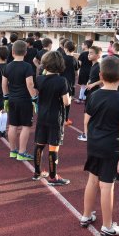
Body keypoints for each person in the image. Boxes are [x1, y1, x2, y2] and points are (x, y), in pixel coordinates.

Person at [80, 57, 119, 236]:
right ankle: (107, 226)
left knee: (92, 180)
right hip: (111, 148)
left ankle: (86, 215)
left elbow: (86, 121)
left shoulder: (93, 95)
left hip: (94, 145)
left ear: (100, 75)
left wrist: (90, 138)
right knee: (107, 186)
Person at [32, 51, 71, 185]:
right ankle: (53, 177)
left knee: (39, 144)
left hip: (42, 116)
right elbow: (66, 102)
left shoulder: (39, 79)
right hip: (56, 117)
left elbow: (36, 93)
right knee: (53, 147)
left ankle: (37, 173)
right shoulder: (62, 81)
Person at [2, 40, 37, 161]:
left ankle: (13, 150)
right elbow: (30, 84)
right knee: (26, 126)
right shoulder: (27, 66)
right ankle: (22, 152)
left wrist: (6, 97)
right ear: (25, 52)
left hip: (12, 99)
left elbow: (4, 84)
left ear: (12, 52)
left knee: (13, 125)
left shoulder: (8, 66)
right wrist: (35, 98)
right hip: (25, 100)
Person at [77, 45, 102, 141]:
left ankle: (86, 135)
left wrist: (92, 84)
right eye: (89, 53)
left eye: (91, 53)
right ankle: (87, 133)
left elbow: (103, 79)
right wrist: (89, 83)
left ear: (98, 55)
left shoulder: (99, 66)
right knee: (88, 114)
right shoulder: (93, 65)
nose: (89, 55)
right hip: (90, 92)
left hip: (94, 93)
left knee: (87, 114)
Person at [62, 41, 79, 125]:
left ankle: (60, 117)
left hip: (61, 81)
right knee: (68, 102)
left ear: (65, 49)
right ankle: (66, 119)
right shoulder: (75, 60)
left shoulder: (61, 58)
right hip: (70, 83)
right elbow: (76, 73)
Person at [76, 39, 93, 104]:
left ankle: (80, 98)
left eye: (82, 44)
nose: (81, 46)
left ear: (86, 46)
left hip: (83, 71)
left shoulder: (82, 54)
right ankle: (84, 97)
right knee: (87, 84)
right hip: (90, 71)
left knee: (83, 85)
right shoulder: (91, 53)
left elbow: (79, 64)